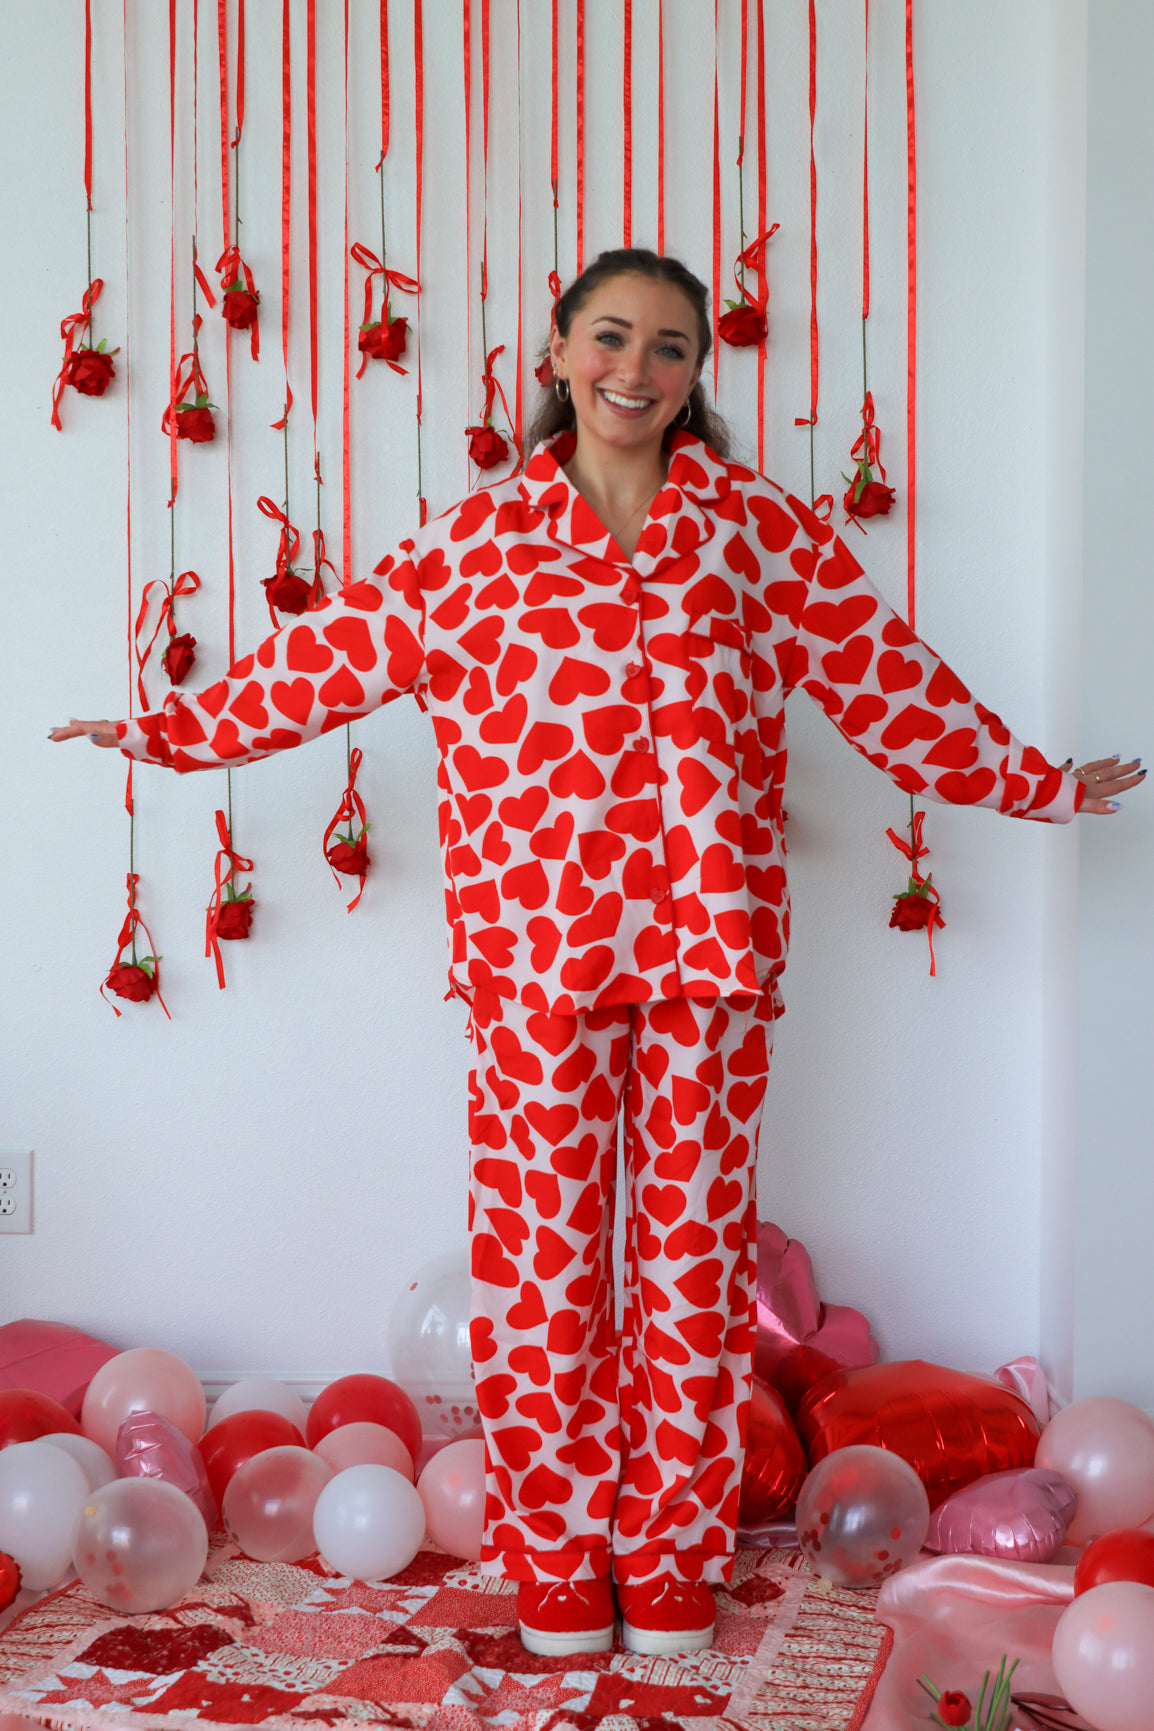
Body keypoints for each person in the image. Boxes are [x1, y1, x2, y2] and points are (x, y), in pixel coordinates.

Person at [52, 248, 1142, 1659]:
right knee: (545, 1275)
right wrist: (164, 731)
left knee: (688, 1278)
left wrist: (1036, 782)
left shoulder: (759, 530)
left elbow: (888, 679)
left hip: (707, 944)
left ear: (699, 373)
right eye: (612, 338)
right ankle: (559, 1554)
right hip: (534, 956)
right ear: (559, 350)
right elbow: (320, 664)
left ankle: (668, 1554)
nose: (638, 369)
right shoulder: (475, 542)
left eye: (671, 348)